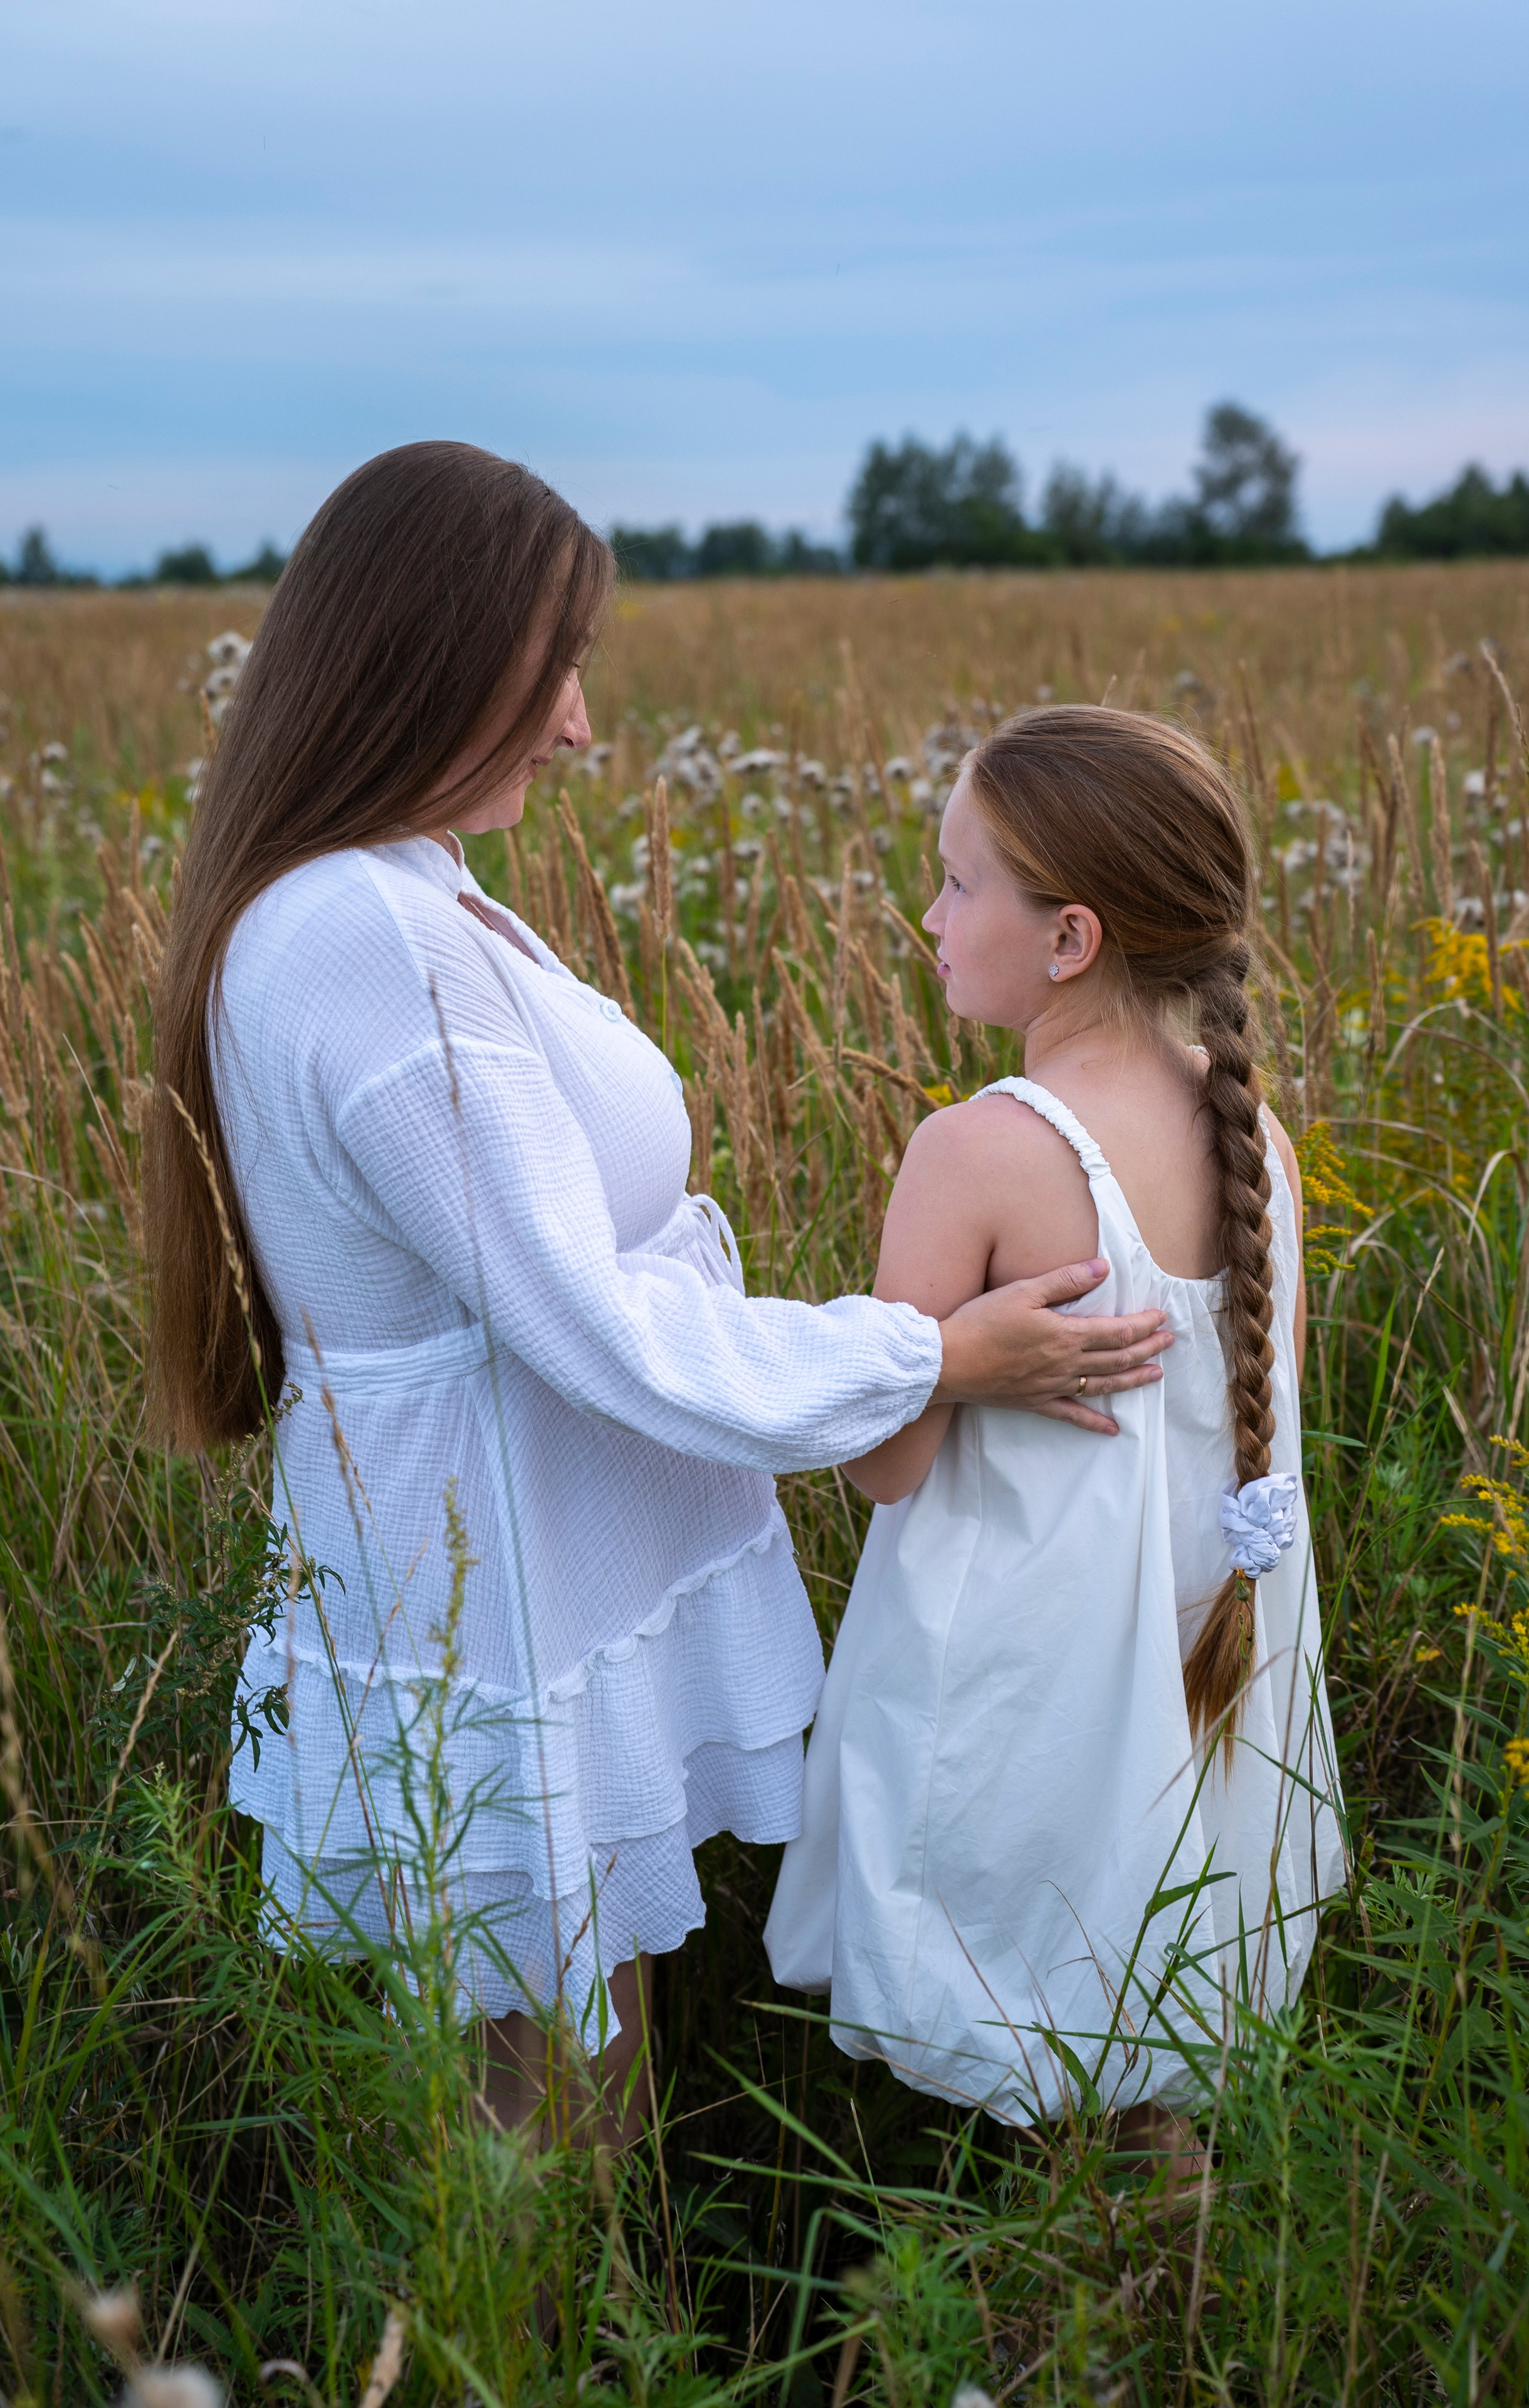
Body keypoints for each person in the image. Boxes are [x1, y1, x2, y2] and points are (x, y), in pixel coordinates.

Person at [145, 444, 1174, 2140]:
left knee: (570, 2086)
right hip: (495, 1595)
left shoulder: (398, 900)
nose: (578, 724)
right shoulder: (364, 938)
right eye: (552, 671)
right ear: (433, 662)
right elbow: (590, 1323)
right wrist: (926, 1355)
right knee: (537, 2127)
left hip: (524, 1564)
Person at [764, 705, 1347, 2152]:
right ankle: (1163, 2303)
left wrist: (945, 1369)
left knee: (1036, 2004)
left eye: (959, 883)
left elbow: (883, 1461)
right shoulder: (1249, 1133)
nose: (927, 914)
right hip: (1203, 1637)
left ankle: (1074, 2326)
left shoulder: (974, 1150)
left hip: (1026, 1666)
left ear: (1070, 937)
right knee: (1150, 2012)